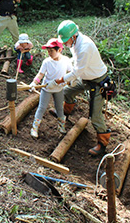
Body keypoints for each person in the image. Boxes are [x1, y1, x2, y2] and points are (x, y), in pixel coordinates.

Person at [52, 20, 111, 156]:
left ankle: (102, 143)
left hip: (97, 82)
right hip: (86, 78)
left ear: (73, 36)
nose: (65, 44)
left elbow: (77, 72)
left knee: (95, 116)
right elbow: (76, 62)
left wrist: (62, 79)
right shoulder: (75, 42)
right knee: (67, 92)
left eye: (66, 41)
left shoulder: (84, 46)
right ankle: (66, 112)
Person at [29, 38, 72, 138]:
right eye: (48, 50)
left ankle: (61, 127)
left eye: (51, 50)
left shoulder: (66, 61)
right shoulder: (47, 62)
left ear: (59, 50)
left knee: (59, 108)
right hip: (47, 88)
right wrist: (34, 83)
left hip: (59, 89)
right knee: (42, 107)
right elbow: (40, 74)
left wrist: (67, 82)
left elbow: (71, 73)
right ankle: (34, 128)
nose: (49, 53)